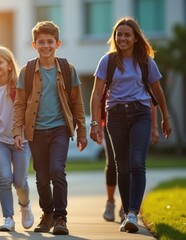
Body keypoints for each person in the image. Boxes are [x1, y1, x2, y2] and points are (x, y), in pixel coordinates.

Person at [90, 17, 171, 233]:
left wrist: (166, 117)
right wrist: (95, 123)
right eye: (119, 34)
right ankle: (127, 213)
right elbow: (97, 93)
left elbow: (157, 91)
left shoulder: (146, 62)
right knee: (122, 165)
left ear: (135, 38)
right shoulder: (107, 61)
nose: (122, 38)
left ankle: (133, 212)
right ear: (115, 37)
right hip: (115, 116)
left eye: (127, 35)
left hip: (140, 114)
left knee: (137, 162)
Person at [12, 21, 88, 235]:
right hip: (35, 131)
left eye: (50, 42)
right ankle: (47, 215)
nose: (46, 46)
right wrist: (17, 131)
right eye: (41, 42)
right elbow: (19, 104)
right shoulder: (26, 71)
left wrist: (82, 132)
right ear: (34, 45)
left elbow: (77, 104)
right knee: (42, 177)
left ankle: (61, 217)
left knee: (57, 170)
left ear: (58, 43)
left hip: (59, 129)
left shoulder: (67, 69)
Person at [0, 46, 34, 232]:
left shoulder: (20, 85)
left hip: (22, 140)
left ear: (9, 65)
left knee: (19, 181)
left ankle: (25, 205)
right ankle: (8, 217)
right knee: (4, 179)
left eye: (0, 62)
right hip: (0, 141)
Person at [102, 105, 159, 222]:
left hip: (136, 119)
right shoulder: (109, 85)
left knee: (133, 162)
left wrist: (154, 126)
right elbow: (98, 98)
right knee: (113, 163)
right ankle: (110, 201)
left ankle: (127, 207)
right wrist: (95, 124)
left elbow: (152, 100)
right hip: (111, 120)